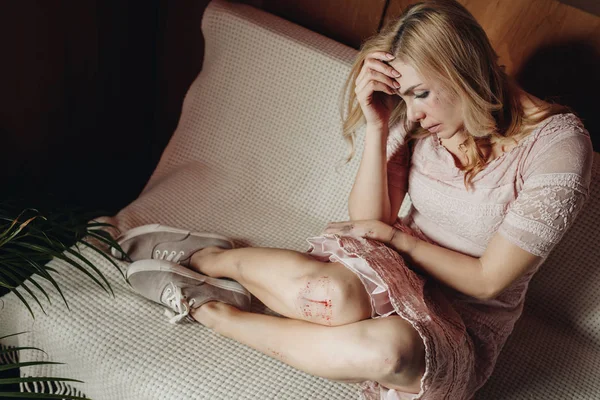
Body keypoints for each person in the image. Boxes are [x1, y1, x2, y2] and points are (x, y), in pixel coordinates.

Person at [112, 1, 594, 399]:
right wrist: (379, 122)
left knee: (390, 354)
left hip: (465, 325)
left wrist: (395, 239)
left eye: (422, 93)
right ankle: (210, 255)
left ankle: (212, 312)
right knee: (334, 297)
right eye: (408, 97)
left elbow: (488, 281)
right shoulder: (421, 117)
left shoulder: (557, 149)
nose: (418, 113)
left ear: (463, 68)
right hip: (392, 275)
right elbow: (368, 219)